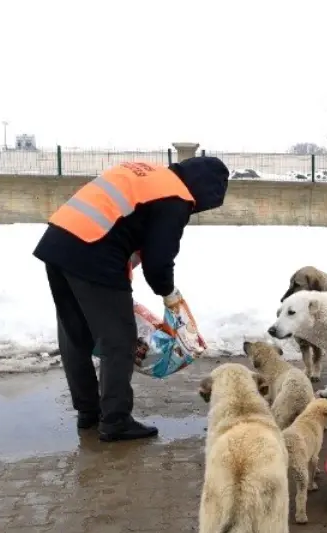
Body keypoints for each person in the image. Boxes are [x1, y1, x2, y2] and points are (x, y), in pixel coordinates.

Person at [34, 156, 230, 442]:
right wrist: (169, 294)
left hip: (58, 242)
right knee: (120, 340)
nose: (194, 208)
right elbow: (158, 261)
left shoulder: (147, 174)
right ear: (202, 190)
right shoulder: (175, 197)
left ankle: (89, 412)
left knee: (75, 333)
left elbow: (122, 226)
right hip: (92, 252)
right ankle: (115, 420)